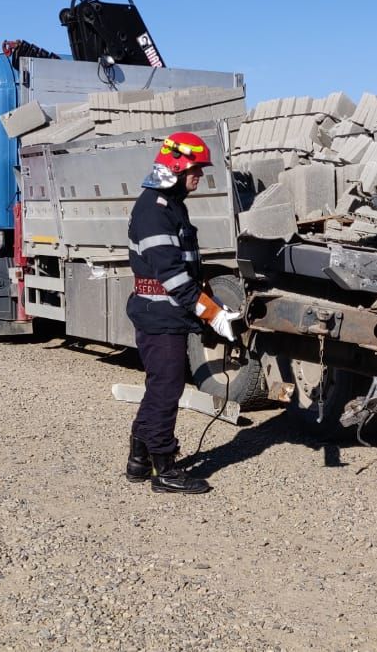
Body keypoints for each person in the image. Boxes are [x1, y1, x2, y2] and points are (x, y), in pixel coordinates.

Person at [123, 132, 242, 494]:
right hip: (159, 316)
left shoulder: (171, 205)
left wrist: (214, 307)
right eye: (195, 169)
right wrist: (211, 314)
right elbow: (174, 278)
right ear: (175, 168)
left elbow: (188, 270)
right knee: (167, 388)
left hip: (166, 314)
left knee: (160, 386)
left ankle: (139, 460)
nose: (200, 176)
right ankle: (165, 470)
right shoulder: (153, 211)